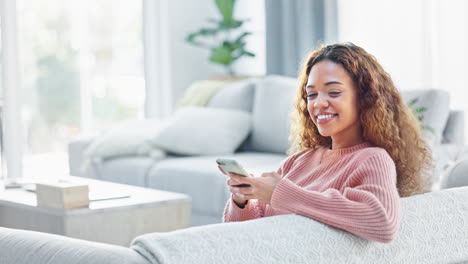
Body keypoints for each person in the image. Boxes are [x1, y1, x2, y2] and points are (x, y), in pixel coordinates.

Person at [219, 43, 433, 243]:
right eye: (311, 95)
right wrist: (242, 200)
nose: (319, 103)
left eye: (334, 92)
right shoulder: (299, 161)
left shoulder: (372, 159)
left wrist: (281, 193)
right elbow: (245, 239)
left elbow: (382, 223)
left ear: (364, 98)